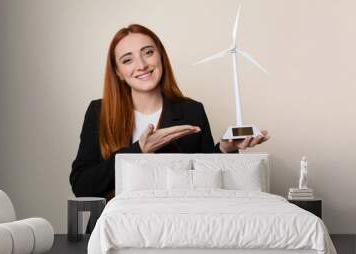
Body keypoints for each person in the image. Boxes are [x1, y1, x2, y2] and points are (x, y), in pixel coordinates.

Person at [69, 24, 269, 202]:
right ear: (119, 72)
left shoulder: (192, 111)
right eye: (127, 60)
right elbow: (82, 186)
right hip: (117, 231)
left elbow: (208, 182)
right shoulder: (99, 112)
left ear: (161, 56)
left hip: (176, 228)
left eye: (148, 52)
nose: (141, 65)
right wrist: (139, 151)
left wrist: (226, 149)